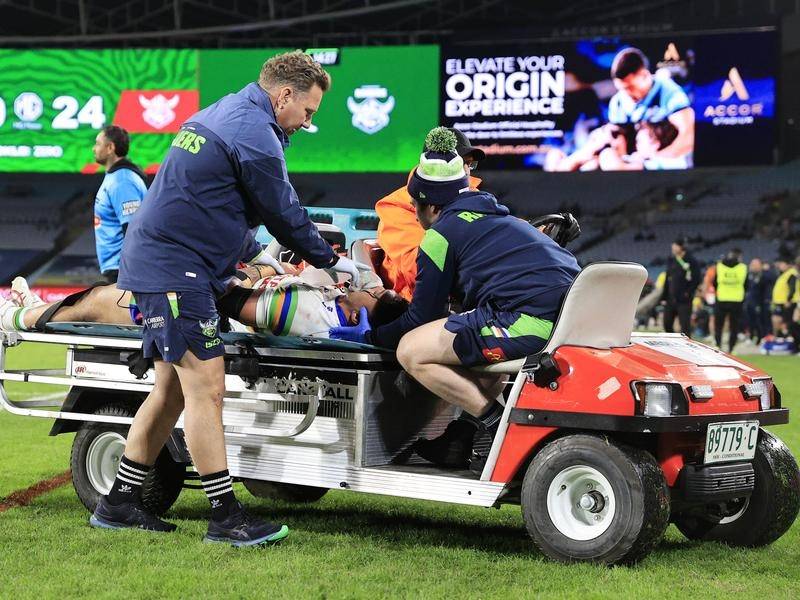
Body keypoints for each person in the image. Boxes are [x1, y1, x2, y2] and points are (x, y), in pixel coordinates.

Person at [93, 51, 362, 546]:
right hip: (177, 270)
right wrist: (330, 259)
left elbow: (208, 202)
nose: (308, 122)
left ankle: (118, 504)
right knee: (207, 387)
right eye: (308, 112)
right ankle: (225, 515)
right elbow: (282, 208)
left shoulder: (228, 112)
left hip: (166, 263)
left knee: (173, 390)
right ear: (284, 95)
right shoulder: (254, 131)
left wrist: (263, 255)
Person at [330, 127, 580, 468]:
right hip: (567, 321)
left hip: (530, 324)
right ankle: (460, 437)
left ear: (428, 205)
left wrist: (372, 338)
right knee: (473, 353)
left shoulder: (441, 233)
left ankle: (497, 425)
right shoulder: (500, 219)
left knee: (412, 350)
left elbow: (420, 318)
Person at [0, 269, 407, 338]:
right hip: (189, 308)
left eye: (372, 291)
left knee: (87, 304)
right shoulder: (325, 308)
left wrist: (259, 272)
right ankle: (27, 305)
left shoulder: (307, 309)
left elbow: (228, 298)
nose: (366, 285)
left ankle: (15, 317)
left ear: (359, 311)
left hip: (179, 311)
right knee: (90, 298)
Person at [376, 128, 484, 301]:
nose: (466, 171)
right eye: (457, 162)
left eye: (469, 164)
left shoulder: (474, 198)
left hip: (464, 299)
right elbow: (420, 272)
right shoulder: (397, 207)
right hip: (415, 304)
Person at [607, 47, 694, 164]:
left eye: (630, 88)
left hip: (669, 162)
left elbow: (689, 137)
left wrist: (654, 161)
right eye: (622, 89)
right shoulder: (618, 101)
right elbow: (617, 143)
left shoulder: (669, 92)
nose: (627, 95)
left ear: (644, 75)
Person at [92, 126, 147, 283]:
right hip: (118, 269)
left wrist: (131, 272)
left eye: (98, 143)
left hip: (123, 270)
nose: (93, 148)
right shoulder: (116, 177)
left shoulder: (122, 181)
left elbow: (133, 228)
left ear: (110, 148)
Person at [661, 237, 701, 336]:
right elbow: (667, 279)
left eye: (675, 245)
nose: (673, 248)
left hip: (684, 300)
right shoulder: (672, 260)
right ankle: (671, 345)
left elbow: (697, 279)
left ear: (681, 247)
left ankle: (686, 348)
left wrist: (688, 293)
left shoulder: (691, 261)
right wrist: (664, 296)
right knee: (667, 323)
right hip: (670, 299)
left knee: (685, 327)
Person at [714, 248, 747, 353]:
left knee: (719, 325)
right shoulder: (742, 267)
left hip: (722, 299)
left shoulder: (720, 266)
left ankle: (718, 346)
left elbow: (715, 282)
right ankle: (731, 349)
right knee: (734, 327)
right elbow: (746, 285)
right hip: (736, 300)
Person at [771, 256, 797, 336]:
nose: (780, 266)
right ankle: (780, 336)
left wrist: (788, 300)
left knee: (785, 321)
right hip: (779, 302)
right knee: (778, 320)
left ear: (788, 265)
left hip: (786, 302)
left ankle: (788, 336)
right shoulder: (784, 274)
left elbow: (792, 288)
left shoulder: (791, 274)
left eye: (782, 264)